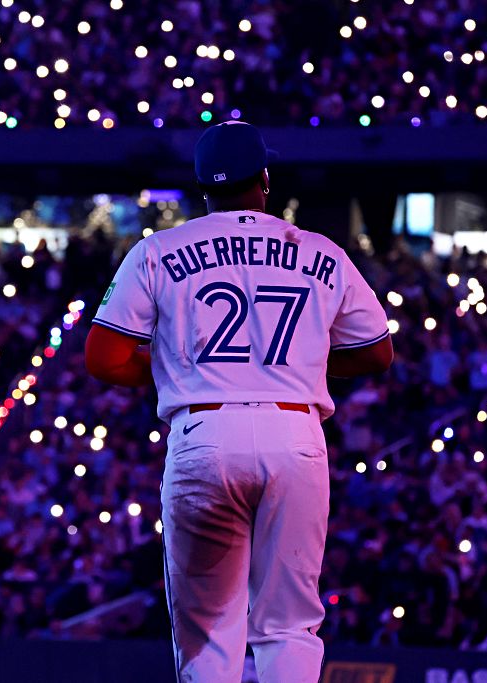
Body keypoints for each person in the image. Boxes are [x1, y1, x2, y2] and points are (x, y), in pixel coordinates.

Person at [85, 121, 393, 682]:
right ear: (265, 179)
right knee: (289, 625)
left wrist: (178, 373)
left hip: (203, 431)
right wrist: (297, 369)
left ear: (203, 186)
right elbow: (376, 353)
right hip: (294, 433)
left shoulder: (158, 250)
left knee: (209, 625)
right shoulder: (319, 250)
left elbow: (103, 357)